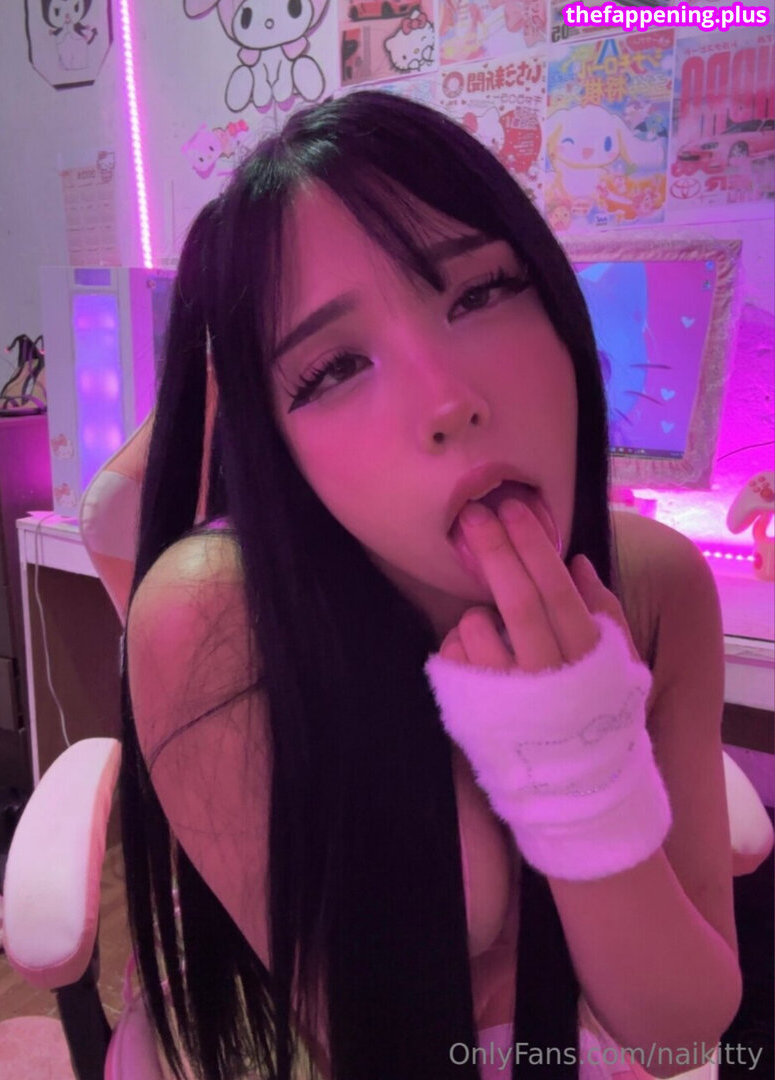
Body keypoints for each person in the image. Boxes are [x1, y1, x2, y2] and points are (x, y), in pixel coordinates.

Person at [121, 90, 742, 1080]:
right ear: (278, 452)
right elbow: (373, 1040)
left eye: (480, 294)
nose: (448, 403)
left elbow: (682, 1031)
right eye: (333, 369)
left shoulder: (661, 584)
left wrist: (586, 771)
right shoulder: (212, 623)